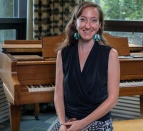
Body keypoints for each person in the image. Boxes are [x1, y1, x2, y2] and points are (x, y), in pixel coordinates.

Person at [47, 1, 120, 131]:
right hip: (68, 119)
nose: (87, 26)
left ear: (99, 25)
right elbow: (58, 93)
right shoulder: (63, 53)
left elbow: (113, 100)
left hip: (97, 121)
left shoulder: (111, 54)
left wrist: (81, 124)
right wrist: (62, 123)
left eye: (93, 20)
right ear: (75, 23)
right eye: (83, 20)